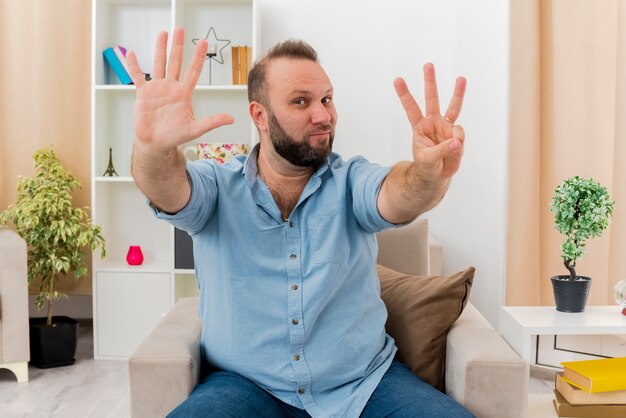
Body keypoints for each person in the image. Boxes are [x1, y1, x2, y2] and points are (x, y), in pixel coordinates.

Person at [126, 26, 473, 418]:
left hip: (365, 383)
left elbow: (399, 194)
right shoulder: (217, 187)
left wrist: (429, 173)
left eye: (326, 99)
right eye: (301, 101)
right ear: (260, 114)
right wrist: (154, 149)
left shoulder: (351, 180)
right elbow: (167, 187)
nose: (323, 115)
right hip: (244, 386)